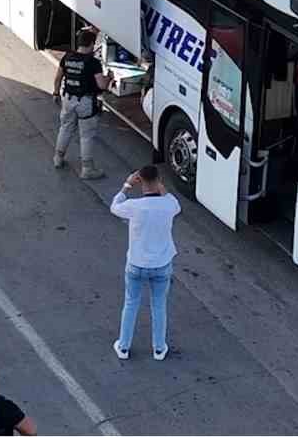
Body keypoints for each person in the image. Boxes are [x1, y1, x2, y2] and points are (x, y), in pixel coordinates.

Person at [110, 165, 180, 362]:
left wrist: (127, 185)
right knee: (159, 306)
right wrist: (160, 186)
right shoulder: (169, 205)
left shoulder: (135, 206)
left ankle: (123, 346)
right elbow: (174, 202)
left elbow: (114, 206)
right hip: (161, 265)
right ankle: (159, 348)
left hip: (136, 265)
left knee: (131, 303)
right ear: (158, 181)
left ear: (140, 181)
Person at [53, 28, 111, 180]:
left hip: (68, 99)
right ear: (91, 44)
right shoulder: (93, 62)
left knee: (65, 128)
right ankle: (87, 169)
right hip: (85, 102)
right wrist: (109, 77)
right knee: (86, 136)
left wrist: (55, 92)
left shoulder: (67, 57)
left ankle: (58, 158)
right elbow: (102, 85)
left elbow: (58, 77)